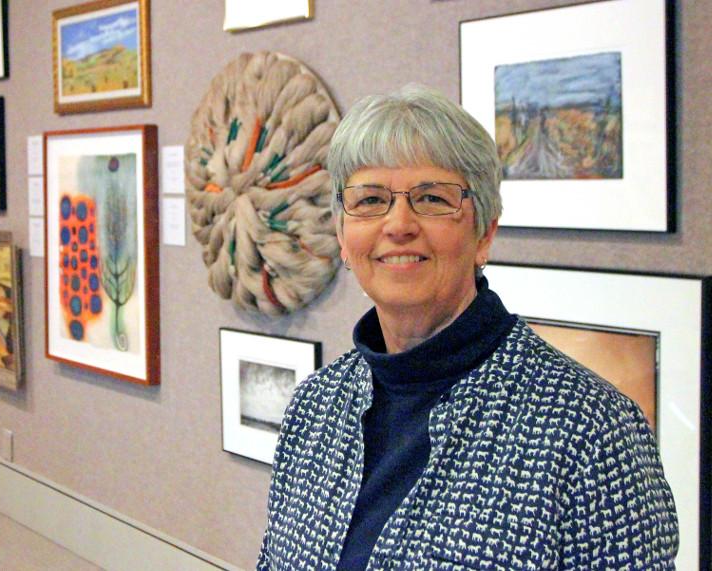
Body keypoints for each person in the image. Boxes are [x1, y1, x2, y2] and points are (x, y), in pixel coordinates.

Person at [256, 85, 678, 570]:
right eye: (370, 199)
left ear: (485, 233)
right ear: (343, 237)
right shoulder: (314, 408)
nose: (398, 224)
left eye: (432, 198)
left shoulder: (589, 429)